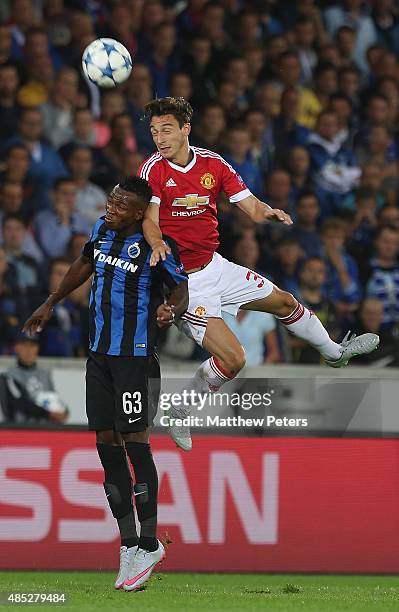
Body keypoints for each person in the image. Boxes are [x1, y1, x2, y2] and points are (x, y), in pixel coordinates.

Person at [139, 96, 380, 451]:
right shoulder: (153, 170)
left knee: (284, 302)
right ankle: (180, 410)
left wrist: (269, 212)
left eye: (167, 129)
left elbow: (249, 205)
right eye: (154, 131)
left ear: (186, 129)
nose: (159, 138)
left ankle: (334, 353)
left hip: (216, 266)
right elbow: (149, 219)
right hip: (183, 284)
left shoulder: (213, 164)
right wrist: (157, 242)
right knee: (234, 359)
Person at [23, 176, 189, 591]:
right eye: (111, 201)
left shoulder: (155, 247)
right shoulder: (100, 231)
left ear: (139, 213)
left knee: (135, 441)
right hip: (99, 357)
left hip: (134, 360)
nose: (111, 209)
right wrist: (50, 302)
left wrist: (170, 309)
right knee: (105, 442)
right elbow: (82, 264)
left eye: (120, 206)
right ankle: (129, 543)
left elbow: (182, 288)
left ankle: (150, 541)